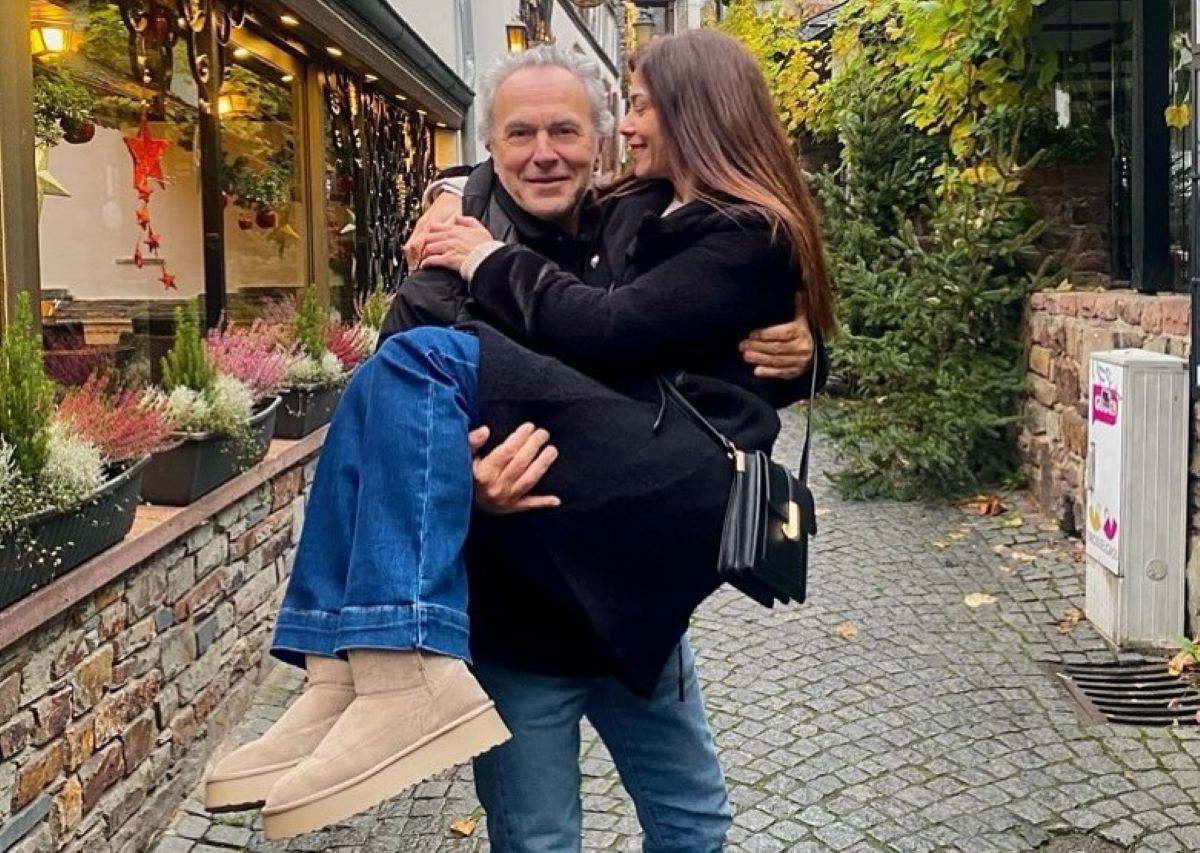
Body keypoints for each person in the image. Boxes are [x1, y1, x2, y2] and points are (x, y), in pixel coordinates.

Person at [203, 33, 833, 849]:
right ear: (490, 148)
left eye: (566, 131)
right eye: (519, 135)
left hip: (631, 609)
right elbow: (396, 451)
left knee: (694, 820)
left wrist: (806, 352)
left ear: (598, 142)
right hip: (519, 620)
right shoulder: (441, 271)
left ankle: (372, 668)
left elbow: (693, 323)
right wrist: (466, 485)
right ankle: (349, 668)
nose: (543, 154)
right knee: (537, 838)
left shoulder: (633, 221)